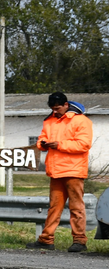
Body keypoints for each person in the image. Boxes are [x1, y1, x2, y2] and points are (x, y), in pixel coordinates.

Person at [29, 92, 92, 252]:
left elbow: (83, 144)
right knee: (54, 207)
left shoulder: (81, 121)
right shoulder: (49, 120)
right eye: (52, 108)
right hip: (56, 171)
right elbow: (41, 138)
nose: (55, 111)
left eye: (57, 108)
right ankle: (46, 240)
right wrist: (42, 144)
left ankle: (79, 241)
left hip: (74, 171)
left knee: (76, 207)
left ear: (66, 105)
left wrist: (59, 145)